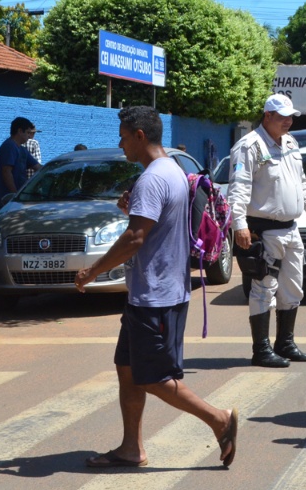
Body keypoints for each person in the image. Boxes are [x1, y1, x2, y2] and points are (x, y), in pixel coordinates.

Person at [74, 106, 238, 468]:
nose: (120, 144)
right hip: (153, 292)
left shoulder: (152, 179)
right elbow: (153, 225)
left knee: (155, 378)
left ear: (139, 135)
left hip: (156, 297)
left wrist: (93, 271)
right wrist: (130, 210)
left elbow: (135, 238)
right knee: (128, 370)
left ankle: (219, 420)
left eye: (122, 135)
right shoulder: (173, 171)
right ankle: (131, 448)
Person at [228, 94, 306, 368]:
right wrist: (240, 225)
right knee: (263, 289)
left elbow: (301, 182)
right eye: (283, 117)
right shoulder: (249, 147)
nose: (289, 122)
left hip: (291, 229)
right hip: (264, 231)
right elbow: (239, 189)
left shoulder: (291, 142)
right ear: (267, 116)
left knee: (293, 288)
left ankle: (285, 343)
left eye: (291, 117)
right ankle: (261, 349)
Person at [0, 117, 41, 207]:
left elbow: (38, 167)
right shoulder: (9, 146)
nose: (29, 136)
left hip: (16, 199)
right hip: (7, 199)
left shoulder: (22, 150)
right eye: (27, 132)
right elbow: (6, 172)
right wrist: (15, 195)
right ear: (19, 131)